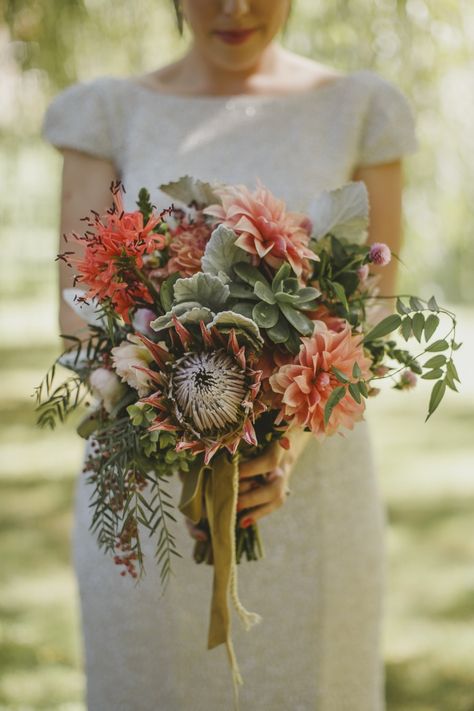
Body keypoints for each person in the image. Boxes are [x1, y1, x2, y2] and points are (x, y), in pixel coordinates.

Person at [41, 1, 419, 708]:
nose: (236, 8)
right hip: (149, 488)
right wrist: (180, 425)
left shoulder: (361, 108)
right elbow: (80, 314)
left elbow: (372, 310)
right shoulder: (106, 113)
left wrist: (285, 440)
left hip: (316, 492)